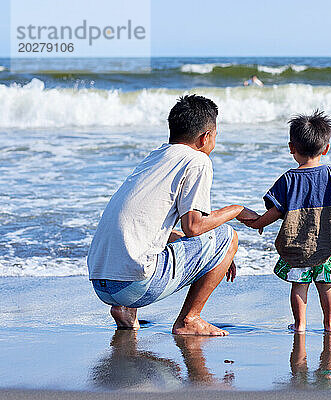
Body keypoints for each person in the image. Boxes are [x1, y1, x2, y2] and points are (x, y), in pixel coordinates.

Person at [87, 95, 258, 336]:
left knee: (198, 242)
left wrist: (215, 255)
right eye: (216, 136)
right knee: (228, 236)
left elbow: (150, 229)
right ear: (205, 137)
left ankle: (125, 310)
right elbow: (194, 227)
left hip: (102, 284)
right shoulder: (197, 160)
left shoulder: (156, 156)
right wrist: (236, 211)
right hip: (132, 285)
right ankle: (190, 319)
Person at [245, 110, 331, 332]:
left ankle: (300, 324)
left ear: (291, 148)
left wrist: (259, 223)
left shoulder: (288, 179)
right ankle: (330, 323)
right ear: (326, 148)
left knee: (299, 286)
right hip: (328, 245)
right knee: (327, 287)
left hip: (298, 246)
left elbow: (276, 210)